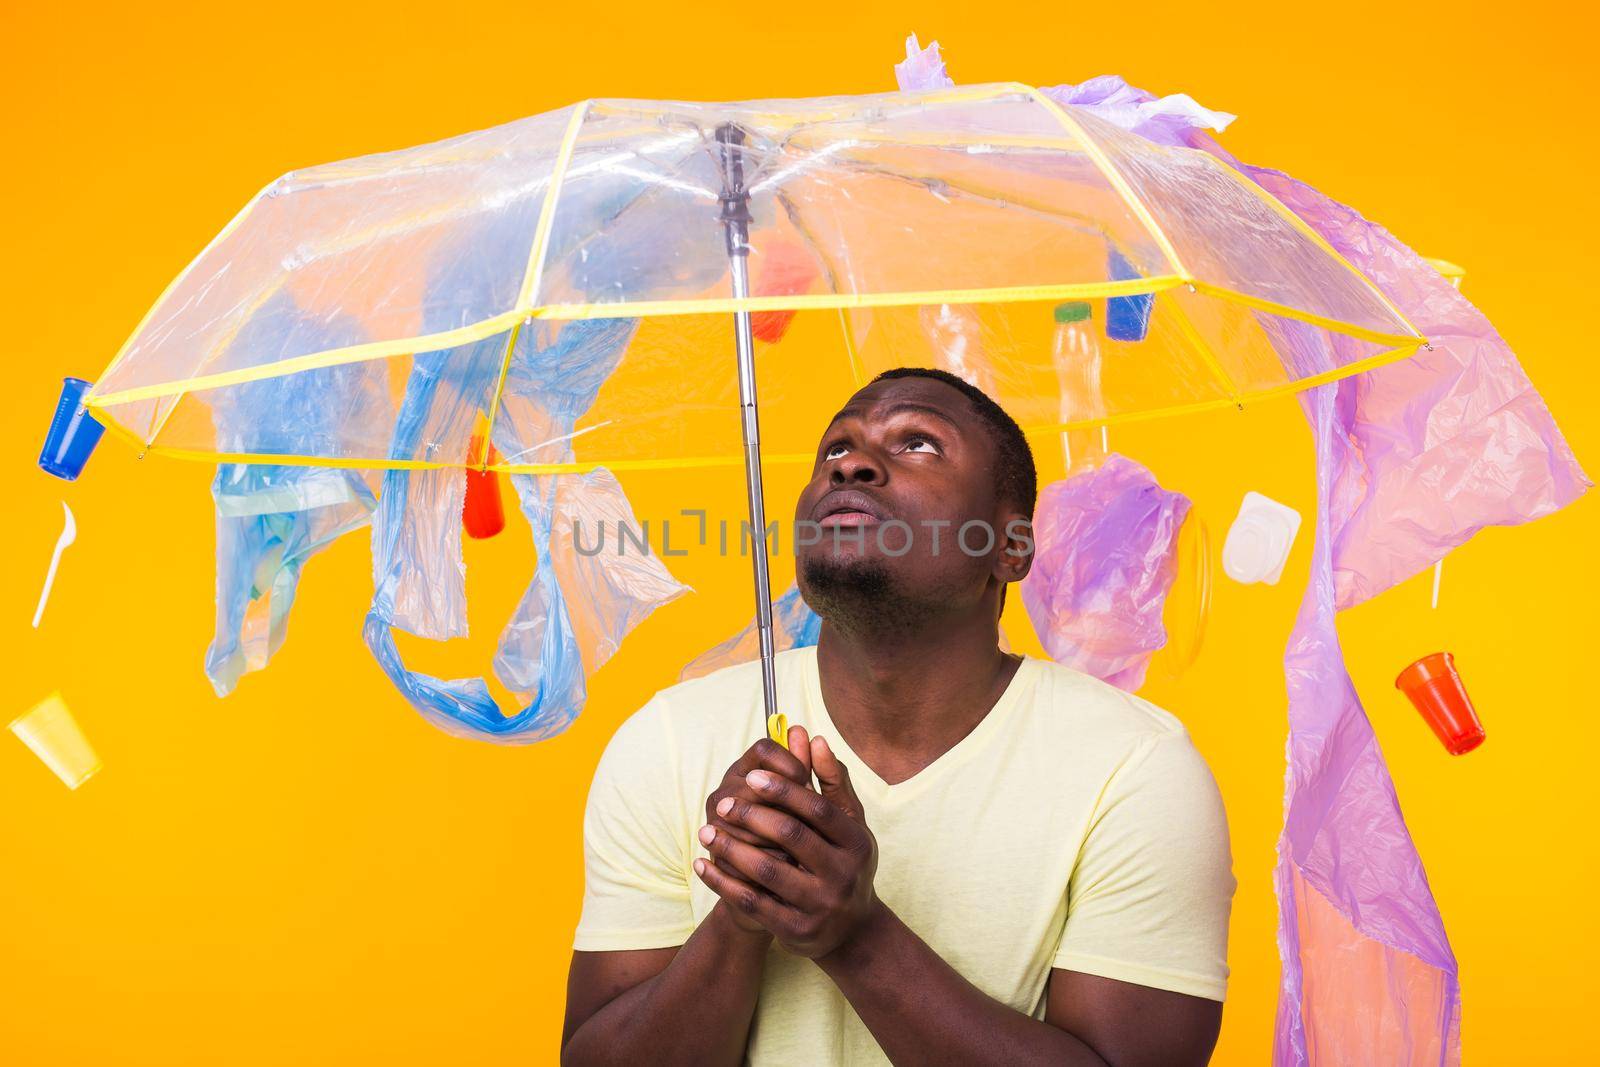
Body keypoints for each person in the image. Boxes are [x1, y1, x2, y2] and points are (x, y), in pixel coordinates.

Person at [560, 367, 1235, 1065]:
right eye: (834, 450)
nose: (851, 463)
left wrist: (856, 936)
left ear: (1010, 547)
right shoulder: (667, 742)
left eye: (919, 444)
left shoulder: (1135, 770)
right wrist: (744, 906)